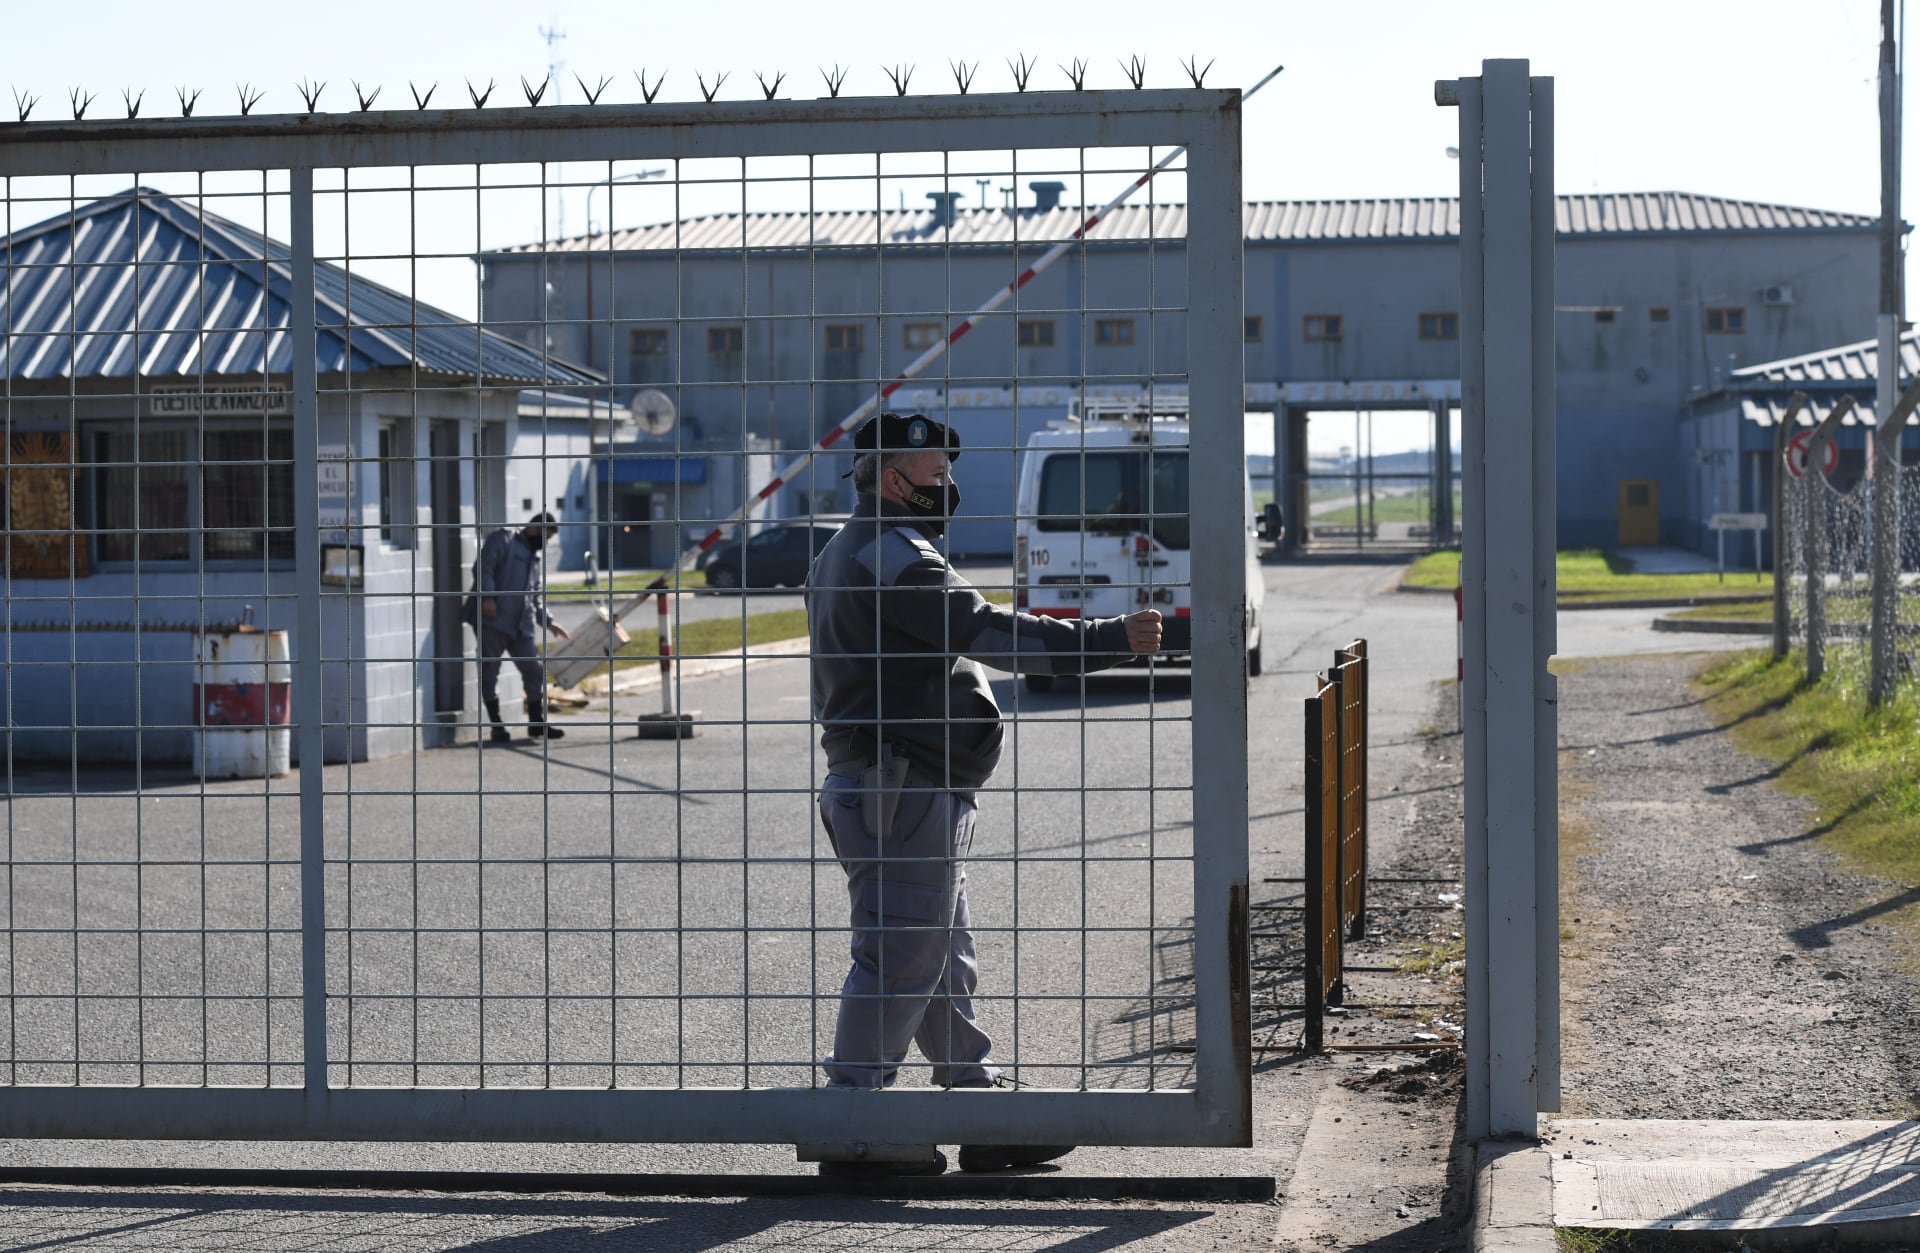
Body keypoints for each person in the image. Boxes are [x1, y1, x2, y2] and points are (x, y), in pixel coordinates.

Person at [806, 412, 1162, 1177]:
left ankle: (978, 1103)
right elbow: (987, 635)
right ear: (894, 477)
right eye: (937, 474)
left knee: (937, 955)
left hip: (903, 786)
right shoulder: (891, 554)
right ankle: (853, 1122)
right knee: (902, 955)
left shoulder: (858, 548)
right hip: (898, 787)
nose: (949, 488)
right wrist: (1107, 640)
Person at [475, 512, 571, 744]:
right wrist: (487, 597)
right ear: (535, 527)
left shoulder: (534, 561)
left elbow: (535, 596)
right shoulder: (503, 541)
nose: (544, 542)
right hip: (495, 622)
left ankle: (536, 724)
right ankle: (497, 725)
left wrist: (548, 621)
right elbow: (483, 568)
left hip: (521, 627)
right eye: (545, 536)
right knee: (489, 673)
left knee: (534, 671)